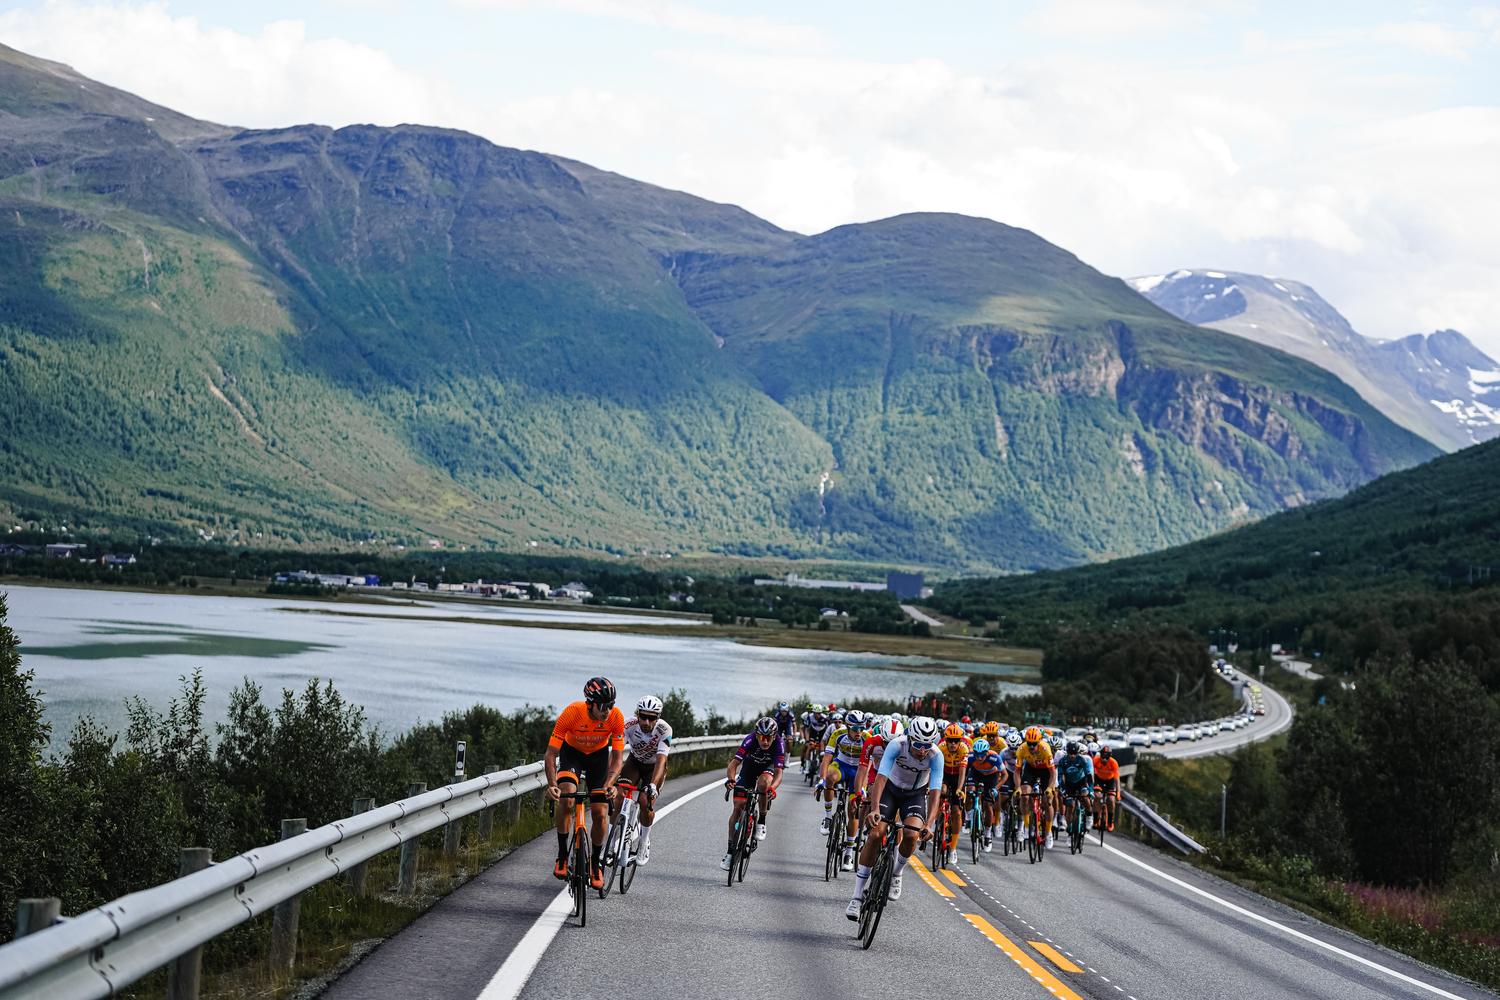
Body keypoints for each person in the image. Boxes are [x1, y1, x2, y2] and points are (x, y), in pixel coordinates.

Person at [845, 716, 943, 920]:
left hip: (914, 795)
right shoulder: (897, 745)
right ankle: (856, 897)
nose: (923, 750)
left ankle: (897, 873)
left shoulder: (936, 755)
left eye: (927, 744)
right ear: (909, 738)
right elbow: (880, 778)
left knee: (910, 835)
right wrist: (873, 809)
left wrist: (929, 824)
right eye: (918, 744)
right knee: (875, 834)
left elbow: (935, 791)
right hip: (889, 789)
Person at [545, 676, 625, 889]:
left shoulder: (616, 717)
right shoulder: (572, 713)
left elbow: (617, 758)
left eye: (611, 705)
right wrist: (552, 783)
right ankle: (562, 855)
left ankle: (596, 863)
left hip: (598, 759)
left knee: (600, 813)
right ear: (590, 702)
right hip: (573, 755)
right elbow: (551, 754)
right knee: (567, 798)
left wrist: (610, 782)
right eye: (603, 705)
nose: (607, 710)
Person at [611, 694, 672, 865]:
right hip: (635, 762)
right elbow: (617, 753)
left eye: (651, 718)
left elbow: (661, 761)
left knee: (645, 801)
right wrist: (611, 777)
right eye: (642, 717)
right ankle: (609, 842)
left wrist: (653, 784)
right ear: (637, 714)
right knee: (620, 795)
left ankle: (644, 842)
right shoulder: (628, 725)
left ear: (657, 718)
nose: (646, 722)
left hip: (654, 768)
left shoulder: (664, 730)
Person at [722, 717, 786, 870]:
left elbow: (779, 773)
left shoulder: (779, 744)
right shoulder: (750, 740)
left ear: (774, 736)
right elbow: (734, 764)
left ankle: (762, 820)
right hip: (749, 769)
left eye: (768, 737)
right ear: (756, 735)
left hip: (767, 768)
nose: (765, 741)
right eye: (761, 737)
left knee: (763, 784)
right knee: (738, 807)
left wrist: (773, 788)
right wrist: (731, 779)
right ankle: (730, 852)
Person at [820, 710, 868, 870]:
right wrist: (821, 779)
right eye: (855, 728)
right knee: (830, 778)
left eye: (861, 728)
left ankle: (849, 853)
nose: (859, 732)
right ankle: (828, 817)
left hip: (858, 772)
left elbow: (871, 766)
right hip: (841, 765)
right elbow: (827, 758)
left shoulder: (867, 738)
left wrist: (863, 788)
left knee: (853, 810)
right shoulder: (838, 734)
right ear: (848, 727)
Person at [1012, 726, 1056, 849]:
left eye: (1034, 744)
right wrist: (1018, 788)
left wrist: (1050, 788)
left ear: (1039, 741)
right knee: (1025, 796)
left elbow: (1053, 773)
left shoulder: (1045, 749)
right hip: (1031, 770)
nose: (1031, 747)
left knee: (1048, 801)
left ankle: (1048, 832)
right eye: (1029, 744)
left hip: (1045, 771)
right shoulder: (1021, 749)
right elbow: (1017, 771)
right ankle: (1026, 826)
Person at [938, 722, 971, 864]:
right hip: (945, 775)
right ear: (946, 740)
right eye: (950, 741)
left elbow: (963, 772)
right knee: (941, 792)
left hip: (958, 777)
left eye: (956, 741)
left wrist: (959, 788)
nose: (953, 744)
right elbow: (936, 770)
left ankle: (953, 849)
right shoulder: (941, 748)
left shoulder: (964, 749)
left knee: (957, 812)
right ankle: (937, 820)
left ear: (960, 741)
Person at [965, 737, 1004, 851]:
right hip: (976, 774)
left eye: (982, 755)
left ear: (987, 753)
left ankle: (987, 834)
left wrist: (996, 788)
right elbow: (965, 771)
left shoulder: (995, 757)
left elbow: (1005, 775)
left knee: (988, 805)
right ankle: (968, 819)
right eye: (977, 754)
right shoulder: (971, 756)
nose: (979, 757)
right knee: (970, 791)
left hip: (991, 777)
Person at [1057, 741, 1095, 838]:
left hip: (1081, 782)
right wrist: (1063, 790)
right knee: (1070, 805)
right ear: (1067, 752)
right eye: (1070, 753)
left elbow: (1089, 775)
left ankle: (1089, 817)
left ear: (1077, 752)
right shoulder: (1063, 761)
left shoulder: (1082, 760)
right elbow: (1060, 778)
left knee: (1085, 797)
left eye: (1075, 753)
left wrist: (1090, 790)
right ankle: (1070, 830)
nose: (1073, 756)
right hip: (1069, 784)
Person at [1092, 744, 1121, 831]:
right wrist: (1091, 786)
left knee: (1111, 800)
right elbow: (1091, 774)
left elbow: (1117, 779)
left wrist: (1118, 793)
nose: (1104, 759)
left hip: (1110, 781)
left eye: (1107, 756)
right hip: (1099, 780)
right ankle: (1096, 819)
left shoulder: (1113, 763)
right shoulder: (1095, 760)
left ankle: (1110, 822)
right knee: (1097, 796)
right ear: (1100, 755)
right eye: (1102, 756)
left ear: (1110, 756)